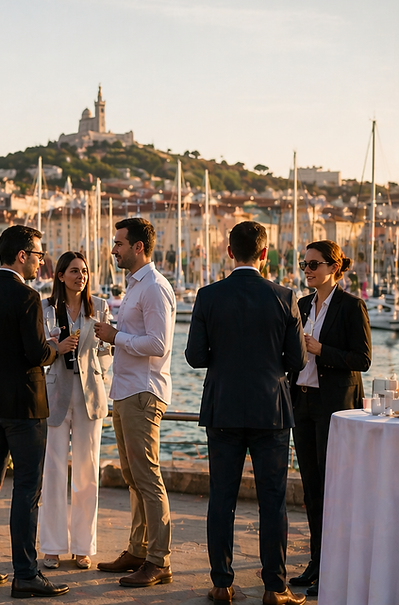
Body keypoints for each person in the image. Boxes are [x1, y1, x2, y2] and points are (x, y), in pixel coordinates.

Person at [185, 221, 308, 605]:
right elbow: (299, 360)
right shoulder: (285, 296)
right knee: (273, 502)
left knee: (221, 498)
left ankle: (222, 583)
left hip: (222, 408)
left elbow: (194, 356)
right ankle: (276, 588)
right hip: (270, 409)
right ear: (265, 254)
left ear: (228, 251)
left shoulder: (207, 296)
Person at [0, 225, 68, 599]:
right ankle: (25, 573)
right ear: (22, 255)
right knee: (26, 489)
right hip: (23, 405)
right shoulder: (27, 297)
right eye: (38, 255)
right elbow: (36, 353)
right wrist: (57, 348)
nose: (41, 261)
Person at [94, 217, 175, 588]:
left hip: (144, 392)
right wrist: (116, 335)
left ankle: (159, 560)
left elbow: (159, 345)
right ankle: (138, 549)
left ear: (138, 247)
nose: (114, 250)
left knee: (146, 477)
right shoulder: (136, 286)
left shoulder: (155, 288)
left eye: (119, 243)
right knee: (132, 477)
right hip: (126, 390)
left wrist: (116, 336)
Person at [288, 240, 370, 598]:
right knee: (311, 488)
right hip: (302, 402)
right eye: (304, 264)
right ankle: (317, 561)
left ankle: (335, 565)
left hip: (334, 405)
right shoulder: (302, 305)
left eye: (314, 264)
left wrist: (322, 351)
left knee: (333, 488)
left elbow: (362, 359)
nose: (308, 269)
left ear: (333, 267)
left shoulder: (352, 306)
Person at [39, 252, 111, 572]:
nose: (79, 276)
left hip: (89, 396)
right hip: (55, 394)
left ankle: (83, 547)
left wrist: (100, 375)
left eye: (84, 271)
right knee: (53, 473)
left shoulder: (99, 306)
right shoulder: (45, 308)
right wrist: (58, 348)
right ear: (60, 275)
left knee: (87, 472)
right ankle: (52, 548)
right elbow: (39, 350)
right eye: (73, 271)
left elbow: (106, 350)